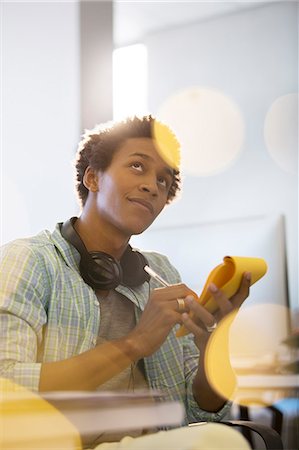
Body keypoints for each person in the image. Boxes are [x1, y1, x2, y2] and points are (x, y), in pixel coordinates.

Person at [0, 115, 251, 448]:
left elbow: (197, 410)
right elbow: (8, 388)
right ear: (92, 177)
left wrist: (212, 351)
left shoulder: (161, 273)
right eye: (137, 166)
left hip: (156, 440)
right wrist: (135, 343)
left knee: (219, 437)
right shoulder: (30, 260)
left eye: (164, 181)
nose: (152, 186)